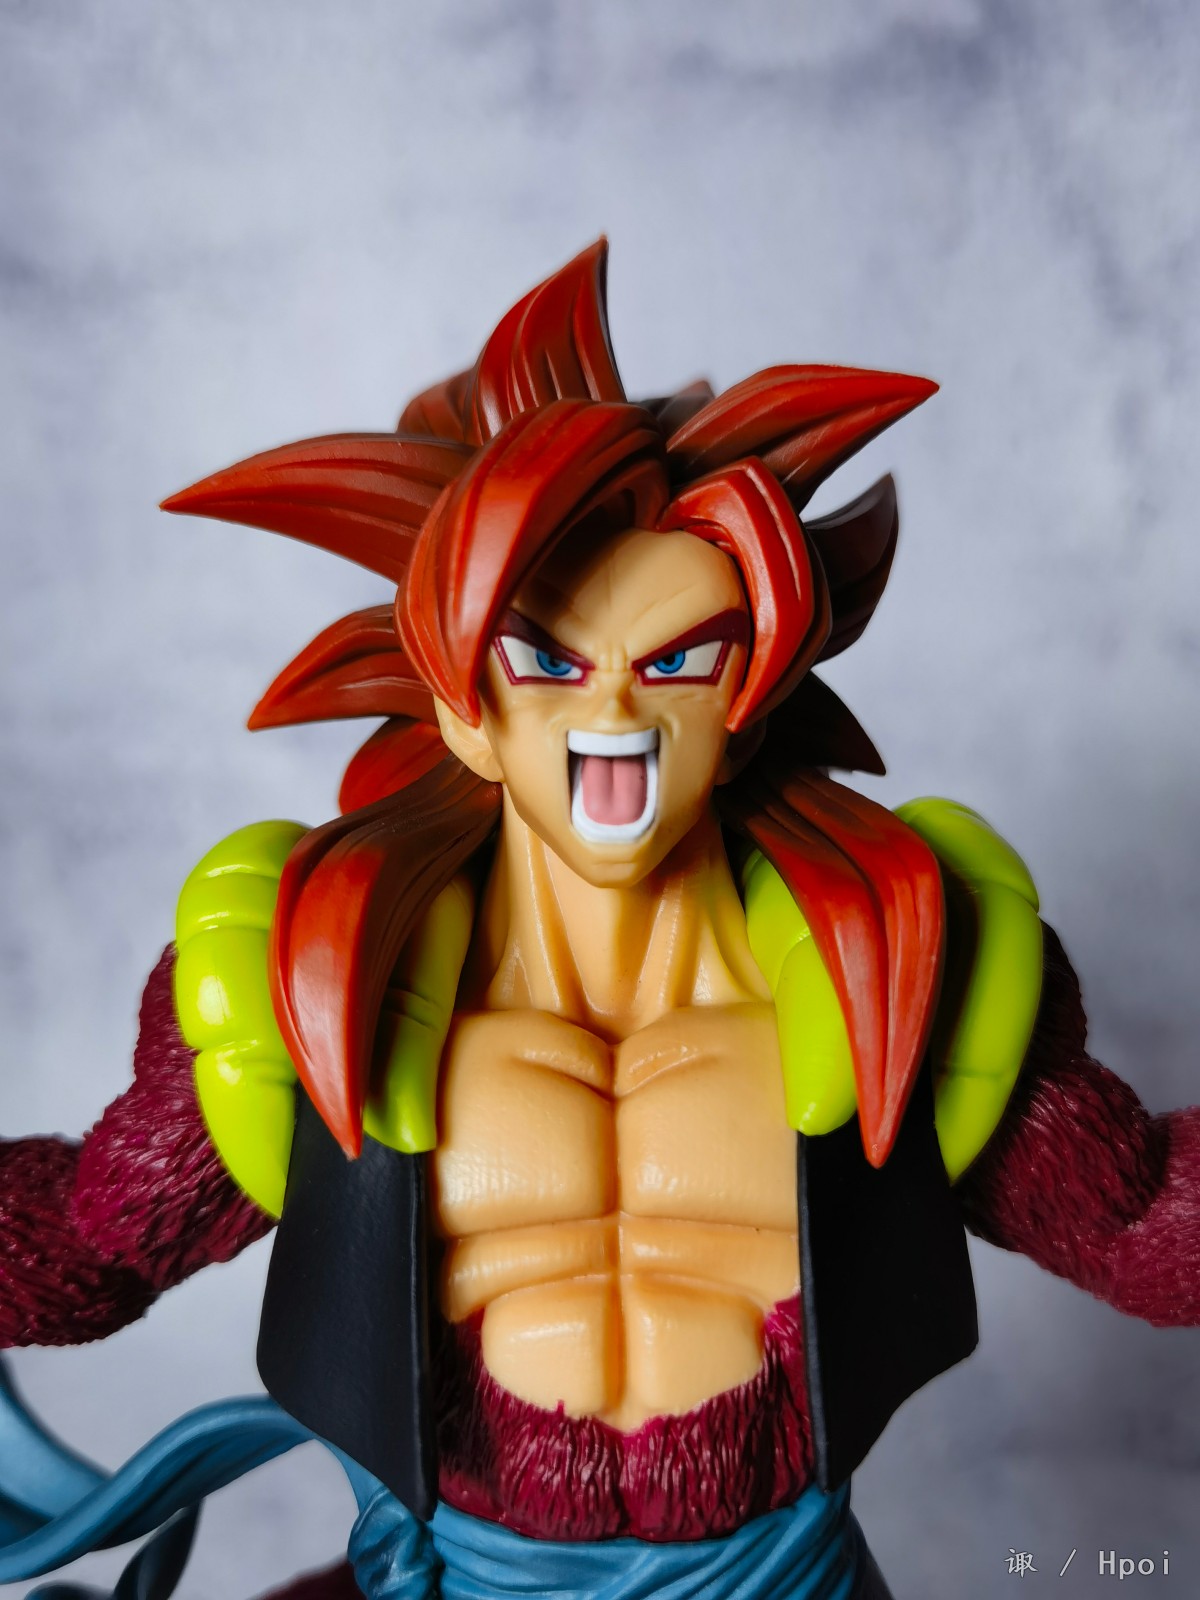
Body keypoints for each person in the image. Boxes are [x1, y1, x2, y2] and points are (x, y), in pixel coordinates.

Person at [1, 242, 1196, 1600]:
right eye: (546, 658)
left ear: (745, 707)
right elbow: (91, 1242)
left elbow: (1139, 1220)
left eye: (677, 658)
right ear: (463, 707)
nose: (613, 712)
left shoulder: (893, 962)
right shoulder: (317, 981)